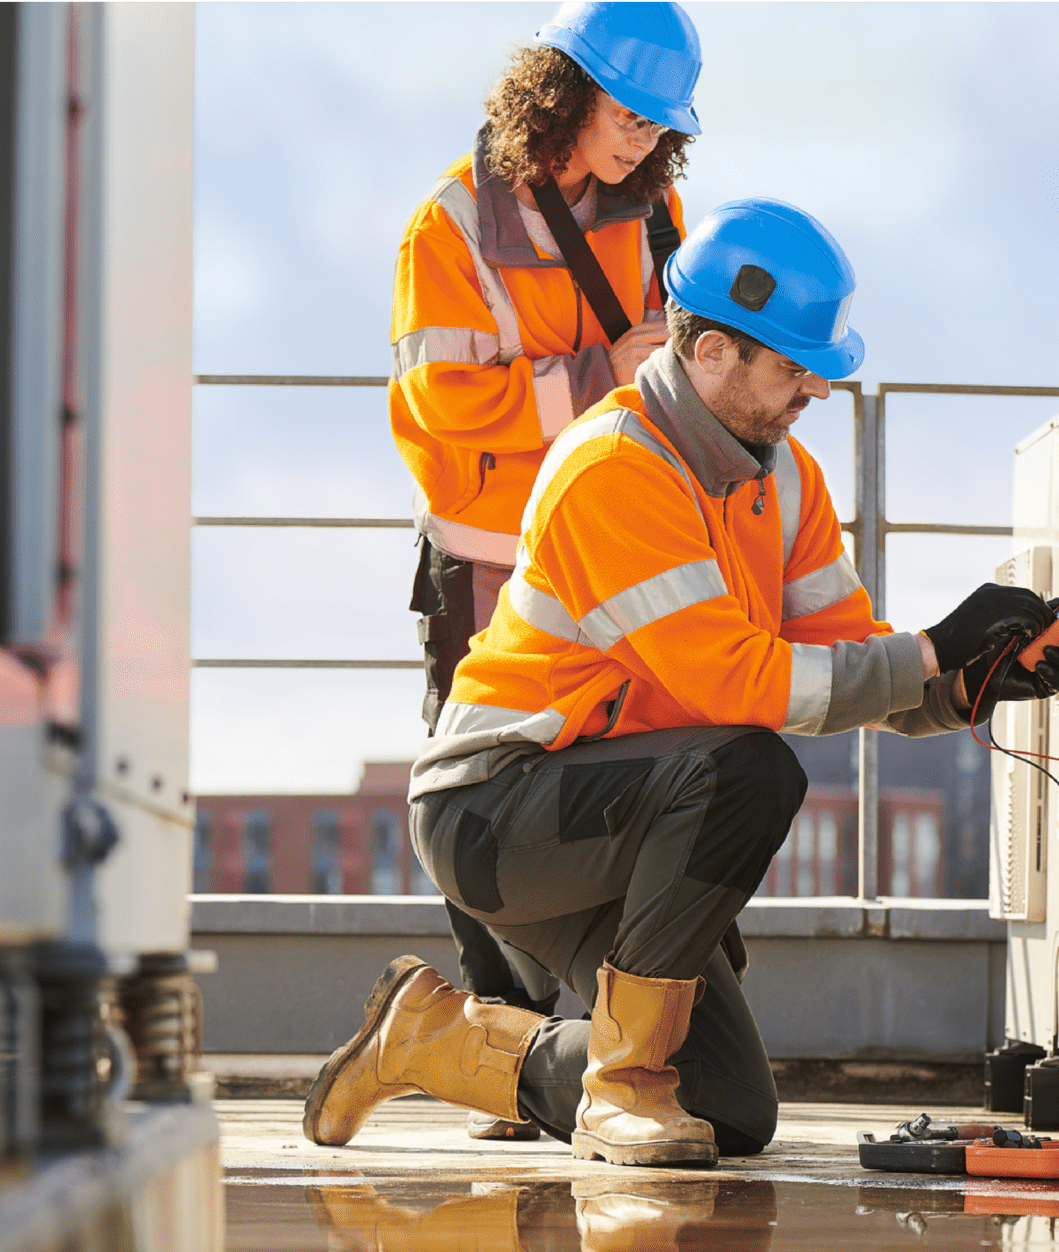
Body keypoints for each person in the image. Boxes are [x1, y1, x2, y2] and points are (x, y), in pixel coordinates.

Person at [304, 198, 1059, 1166]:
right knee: (752, 767)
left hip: (626, 814)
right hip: (501, 811)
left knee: (725, 1112)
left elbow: (842, 651)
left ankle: (435, 1039)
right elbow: (734, 682)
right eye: (795, 367)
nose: (816, 389)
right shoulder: (611, 468)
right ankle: (622, 1089)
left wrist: (968, 684)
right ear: (712, 351)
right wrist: (929, 651)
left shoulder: (783, 474)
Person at [387, 0, 702, 1140]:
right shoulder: (451, 224)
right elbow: (442, 409)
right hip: (489, 559)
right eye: (628, 114)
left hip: (609, 548)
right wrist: (596, 371)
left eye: (660, 125)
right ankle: (493, 1043)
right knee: (481, 797)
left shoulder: (656, 206)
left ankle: (574, 1045)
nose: (642, 140)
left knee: (605, 778)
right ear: (562, 91)